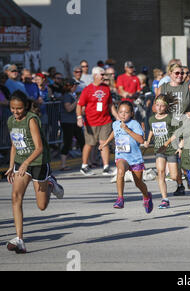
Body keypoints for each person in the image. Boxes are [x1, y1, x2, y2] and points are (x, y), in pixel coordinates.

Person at [5, 90, 64, 254]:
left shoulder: (31, 120)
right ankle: (20, 239)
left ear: (25, 107)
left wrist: (26, 162)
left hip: (38, 162)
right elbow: (14, 145)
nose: (15, 112)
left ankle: (51, 184)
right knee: (16, 197)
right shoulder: (11, 121)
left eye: (19, 109)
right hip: (21, 162)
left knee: (42, 206)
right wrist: (12, 166)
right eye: (12, 108)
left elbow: (39, 148)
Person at [155, 63, 190, 196]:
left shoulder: (188, 87)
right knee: (174, 162)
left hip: (185, 126)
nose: (180, 76)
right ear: (170, 74)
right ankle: (180, 184)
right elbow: (155, 107)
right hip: (168, 128)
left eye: (182, 73)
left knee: (183, 155)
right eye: (177, 73)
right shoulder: (162, 88)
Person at [99, 101, 153, 213]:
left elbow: (141, 140)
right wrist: (105, 143)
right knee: (120, 170)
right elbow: (114, 132)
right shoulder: (115, 123)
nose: (123, 114)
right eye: (121, 112)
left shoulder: (134, 124)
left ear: (132, 113)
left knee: (138, 183)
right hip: (121, 156)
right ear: (117, 113)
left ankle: (146, 196)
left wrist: (127, 130)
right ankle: (120, 199)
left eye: (126, 112)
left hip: (134, 158)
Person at [76, 66, 119, 176]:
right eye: (102, 75)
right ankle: (84, 166)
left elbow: (110, 105)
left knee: (104, 143)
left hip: (105, 120)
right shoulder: (87, 89)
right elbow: (79, 105)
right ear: (95, 76)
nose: (104, 77)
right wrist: (79, 117)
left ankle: (106, 167)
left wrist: (118, 117)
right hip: (91, 121)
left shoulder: (106, 88)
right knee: (90, 144)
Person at [144, 93, 179, 209]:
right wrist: (148, 140)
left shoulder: (170, 118)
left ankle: (180, 181)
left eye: (162, 106)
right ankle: (165, 199)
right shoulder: (152, 119)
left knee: (173, 176)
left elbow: (177, 133)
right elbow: (152, 130)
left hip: (171, 149)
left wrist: (168, 143)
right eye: (157, 105)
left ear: (166, 107)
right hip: (159, 149)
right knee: (161, 172)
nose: (159, 108)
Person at [60, 79, 85, 171]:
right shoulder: (67, 96)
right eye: (74, 85)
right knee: (67, 143)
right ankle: (63, 164)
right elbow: (69, 108)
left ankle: (85, 162)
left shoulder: (72, 95)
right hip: (67, 122)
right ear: (69, 86)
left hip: (74, 122)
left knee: (82, 141)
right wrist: (77, 100)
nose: (76, 87)